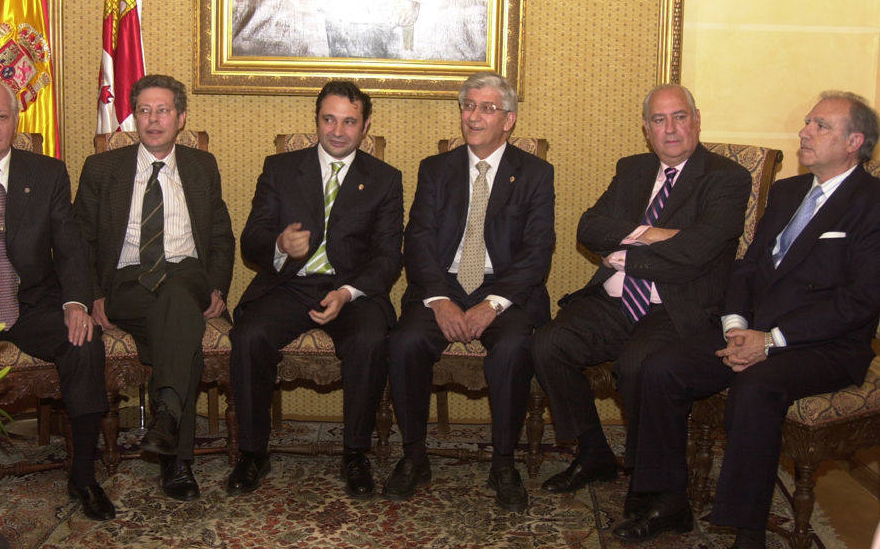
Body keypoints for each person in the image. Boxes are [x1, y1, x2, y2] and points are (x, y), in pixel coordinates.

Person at [615, 91, 880, 548]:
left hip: (825, 346)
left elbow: (860, 301)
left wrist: (771, 339)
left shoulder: (872, 202)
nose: (804, 132)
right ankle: (668, 499)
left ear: (854, 141)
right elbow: (748, 266)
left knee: (756, 386)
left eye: (820, 126)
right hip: (752, 330)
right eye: (807, 122)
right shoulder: (788, 191)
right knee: (662, 366)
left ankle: (748, 530)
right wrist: (736, 325)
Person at [530, 84, 752, 497]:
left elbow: (699, 251)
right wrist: (654, 233)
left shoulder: (727, 178)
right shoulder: (632, 169)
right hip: (615, 300)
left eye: (679, 116)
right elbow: (590, 227)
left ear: (697, 119)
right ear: (646, 129)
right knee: (548, 344)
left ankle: (646, 480)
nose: (670, 129)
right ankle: (593, 452)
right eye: (658, 119)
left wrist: (628, 254)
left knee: (637, 365)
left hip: (676, 304)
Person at [0, 79, 114, 520]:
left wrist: (76, 303)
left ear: (16, 120)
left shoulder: (47, 172)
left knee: (84, 345)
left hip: (32, 300)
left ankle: (84, 476)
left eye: (2, 116)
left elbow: (70, 246)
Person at [383, 72, 555, 511]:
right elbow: (417, 240)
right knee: (405, 343)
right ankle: (414, 455)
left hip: (506, 288)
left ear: (509, 120)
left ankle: (503, 462)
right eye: (468, 106)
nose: (474, 116)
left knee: (515, 346)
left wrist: (491, 305)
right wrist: (440, 300)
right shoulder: (435, 169)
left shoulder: (535, 174)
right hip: (443, 283)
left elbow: (537, 253)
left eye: (487, 108)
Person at [228, 80, 403, 499]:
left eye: (349, 121)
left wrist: (347, 294)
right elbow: (250, 239)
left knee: (369, 339)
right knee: (250, 336)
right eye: (329, 119)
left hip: (352, 290)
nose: (337, 131)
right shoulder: (281, 168)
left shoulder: (384, 179)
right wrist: (278, 245)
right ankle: (253, 453)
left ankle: (355, 454)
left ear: (365, 127)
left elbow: (387, 257)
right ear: (317, 120)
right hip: (291, 284)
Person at [75, 74, 234, 501]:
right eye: (144, 110)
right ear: (134, 119)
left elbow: (220, 236)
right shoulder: (102, 169)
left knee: (180, 293)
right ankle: (173, 443)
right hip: (127, 282)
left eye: (163, 110)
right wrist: (92, 294)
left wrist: (218, 286)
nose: (153, 119)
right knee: (181, 332)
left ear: (181, 118)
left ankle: (172, 446)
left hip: (187, 273)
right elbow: (80, 242)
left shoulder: (203, 166)